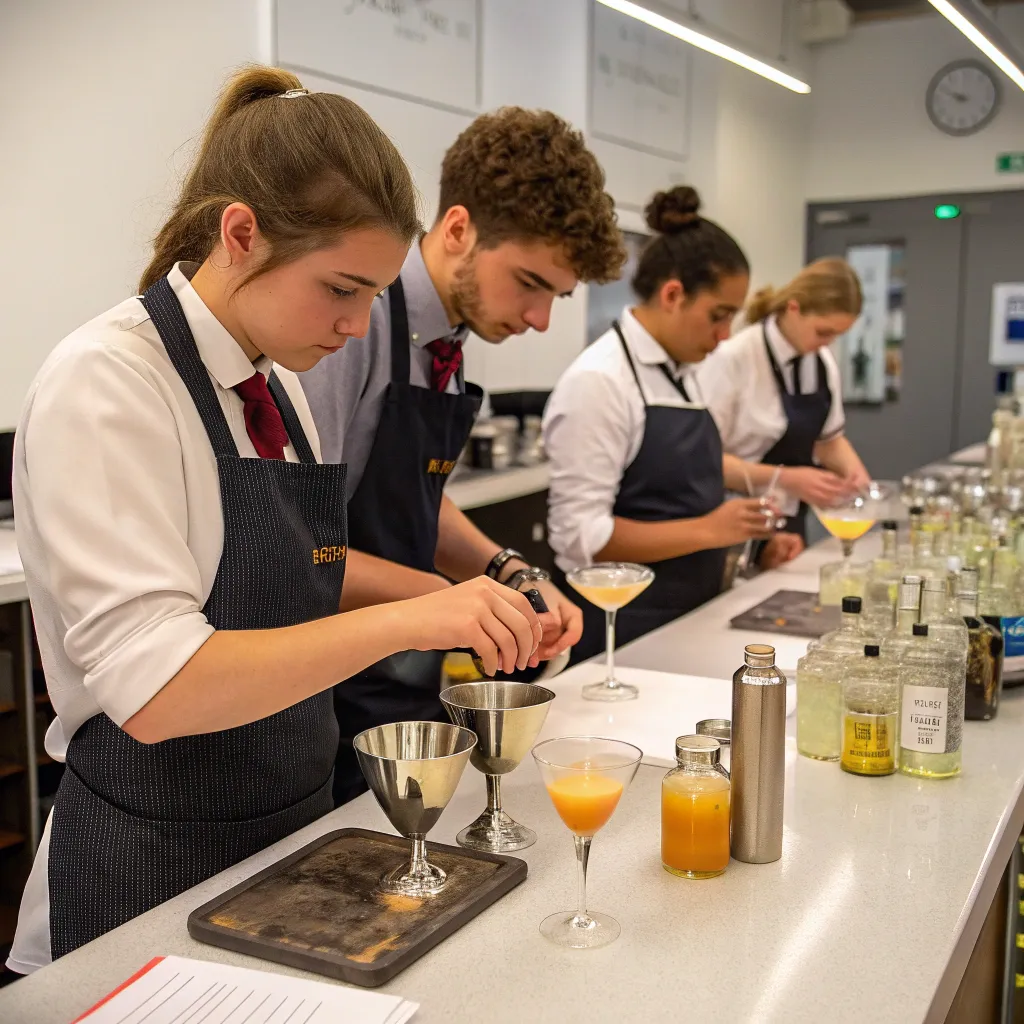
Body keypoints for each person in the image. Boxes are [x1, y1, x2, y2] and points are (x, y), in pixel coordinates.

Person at [6, 66, 542, 973]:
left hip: (287, 843)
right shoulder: (108, 383)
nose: (357, 325)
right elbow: (160, 690)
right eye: (341, 289)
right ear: (240, 233)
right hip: (152, 864)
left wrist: (467, 595)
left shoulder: (275, 385)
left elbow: (309, 564)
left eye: (374, 295)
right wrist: (417, 618)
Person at [299, 107, 626, 805]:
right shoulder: (350, 328)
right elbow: (299, 547)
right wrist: (452, 603)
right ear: (457, 229)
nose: (540, 318)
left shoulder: (442, 340)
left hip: (398, 681)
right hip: (324, 694)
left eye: (557, 297)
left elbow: (412, 500)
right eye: (531, 283)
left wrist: (509, 573)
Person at [543, 186, 793, 663]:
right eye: (718, 317)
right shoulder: (601, 381)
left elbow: (684, 481)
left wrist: (753, 545)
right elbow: (583, 541)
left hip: (689, 616)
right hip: (621, 633)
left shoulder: (688, 373)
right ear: (673, 295)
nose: (724, 338)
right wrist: (710, 530)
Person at [695, 257, 870, 547]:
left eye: (837, 335)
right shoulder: (734, 358)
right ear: (794, 307)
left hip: (788, 522)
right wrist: (787, 479)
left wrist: (860, 482)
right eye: (823, 332)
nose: (828, 343)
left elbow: (828, 441)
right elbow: (704, 461)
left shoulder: (822, 362)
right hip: (733, 522)